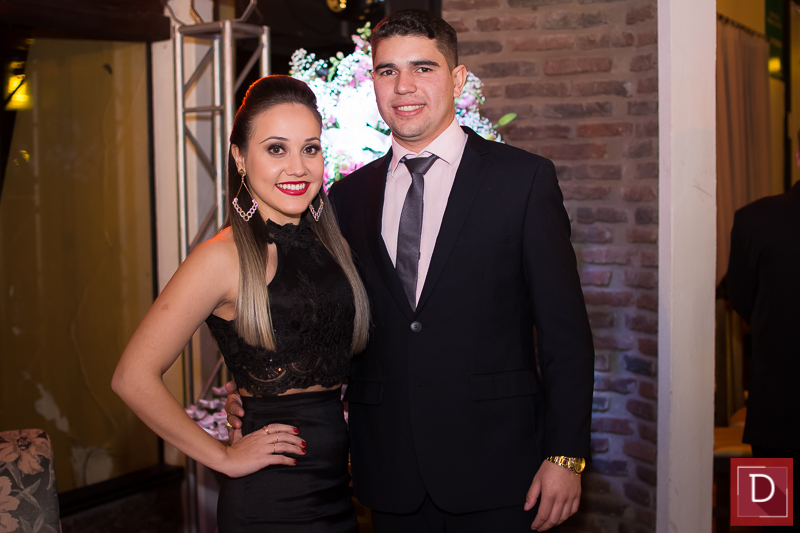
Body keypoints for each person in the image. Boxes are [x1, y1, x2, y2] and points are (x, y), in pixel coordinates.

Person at [226, 9, 595, 532]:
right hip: (389, 469)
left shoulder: (523, 181)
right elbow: (313, 313)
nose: (404, 86)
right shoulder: (344, 199)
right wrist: (256, 390)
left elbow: (566, 334)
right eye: (387, 70)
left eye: (423, 68)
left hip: (501, 467)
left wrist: (566, 456)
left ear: (457, 79)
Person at [113, 75, 370, 532]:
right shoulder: (221, 257)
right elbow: (132, 377)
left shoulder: (334, 247)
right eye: (276, 149)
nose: (298, 167)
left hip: (338, 493)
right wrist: (223, 457)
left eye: (310, 149)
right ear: (240, 157)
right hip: (271, 502)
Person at [726, 142, 800, 464]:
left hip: (773, 412)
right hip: (772, 412)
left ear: (797, 156)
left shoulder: (753, 219)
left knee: (766, 498)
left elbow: (741, 298)